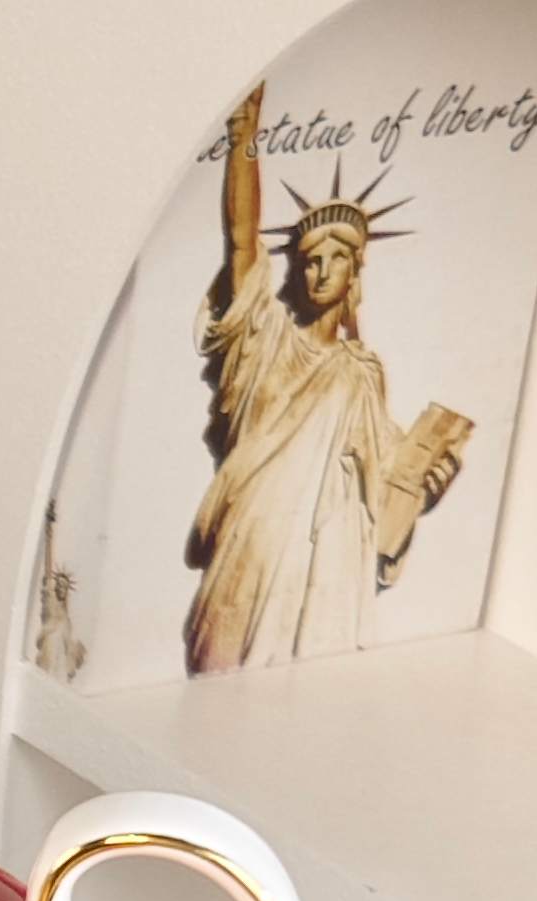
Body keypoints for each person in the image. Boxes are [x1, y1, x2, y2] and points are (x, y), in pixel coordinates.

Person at [186, 84, 466, 674]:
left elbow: (386, 470)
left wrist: (427, 482)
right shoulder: (268, 339)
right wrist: (245, 135)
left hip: (330, 550)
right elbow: (242, 241)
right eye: (311, 259)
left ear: (355, 270)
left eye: (336, 259)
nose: (320, 270)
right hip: (258, 529)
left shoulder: (361, 373)